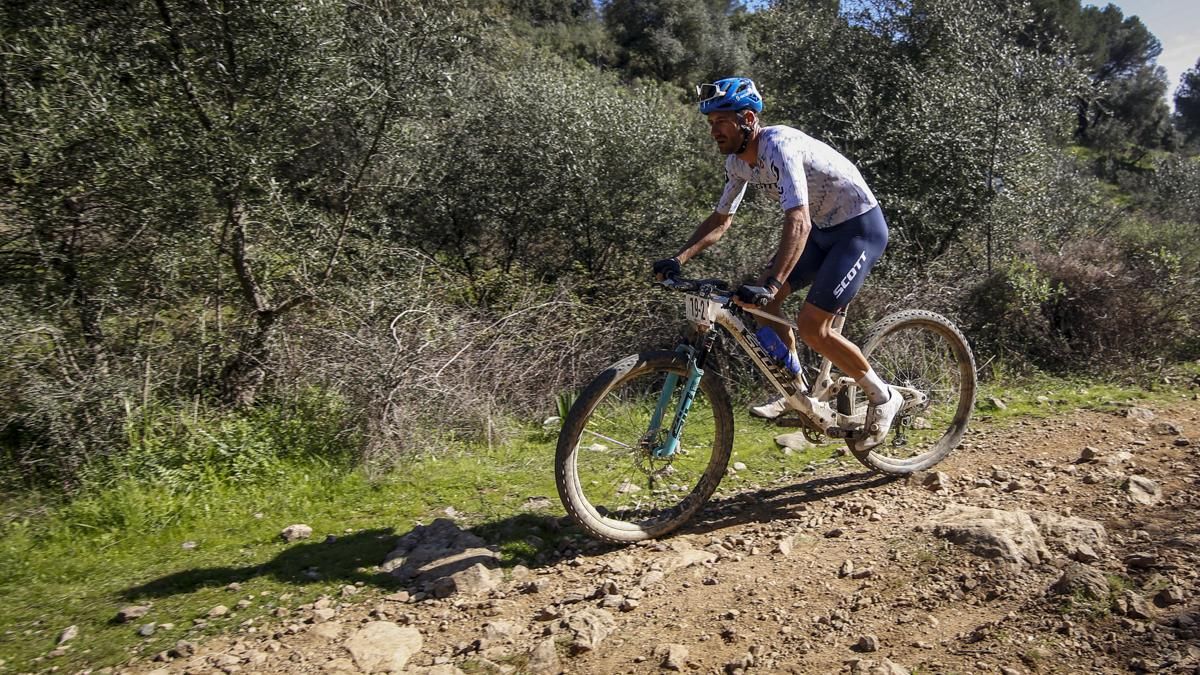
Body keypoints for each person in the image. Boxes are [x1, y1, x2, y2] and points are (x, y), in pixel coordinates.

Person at [651, 76, 901, 451]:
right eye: (710, 123)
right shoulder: (738, 163)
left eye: (721, 121)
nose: (714, 131)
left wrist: (772, 283)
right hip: (822, 231)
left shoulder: (779, 145)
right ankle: (797, 392)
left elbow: (797, 219)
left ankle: (884, 397)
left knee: (813, 327)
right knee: (757, 307)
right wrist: (677, 258)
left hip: (858, 230)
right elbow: (721, 221)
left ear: (748, 119)